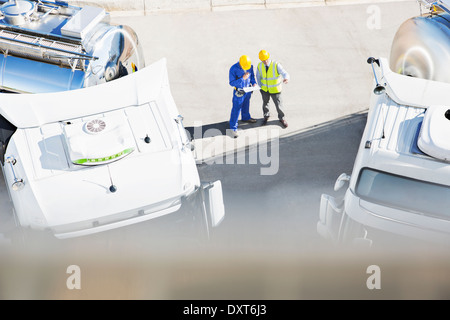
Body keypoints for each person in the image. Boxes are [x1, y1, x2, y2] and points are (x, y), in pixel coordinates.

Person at [256, 50, 290, 128]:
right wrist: (260, 86)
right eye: (263, 60)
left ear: (268, 57)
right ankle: (266, 116)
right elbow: (258, 76)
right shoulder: (260, 66)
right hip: (264, 89)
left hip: (275, 90)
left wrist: (286, 78)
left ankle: (282, 118)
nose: (265, 61)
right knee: (265, 103)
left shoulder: (276, 65)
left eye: (266, 59)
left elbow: (285, 73)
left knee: (279, 105)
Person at [228, 55, 258, 138]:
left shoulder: (249, 66)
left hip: (247, 90)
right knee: (236, 109)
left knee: (246, 105)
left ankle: (246, 117)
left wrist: (254, 83)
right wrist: (243, 78)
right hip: (239, 92)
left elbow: (252, 76)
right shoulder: (233, 69)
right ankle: (233, 128)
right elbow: (232, 83)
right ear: (240, 63)